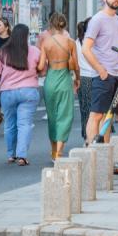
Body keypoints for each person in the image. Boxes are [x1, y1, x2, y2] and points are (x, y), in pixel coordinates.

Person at [0, 24, 41, 166]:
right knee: (25, 124)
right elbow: (42, 70)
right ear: (26, 36)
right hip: (28, 92)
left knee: (10, 124)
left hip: (7, 92)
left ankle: (11, 154)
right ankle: (22, 156)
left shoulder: (3, 52)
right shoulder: (35, 51)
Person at [83, 0, 118, 145]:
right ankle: (91, 151)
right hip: (102, 75)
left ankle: (104, 153)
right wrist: (100, 70)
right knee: (96, 115)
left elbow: (115, 46)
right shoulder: (97, 19)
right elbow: (86, 49)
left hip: (117, 74)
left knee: (109, 116)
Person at [40, 13, 79, 157]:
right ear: (65, 25)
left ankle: (53, 149)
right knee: (65, 115)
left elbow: (40, 66)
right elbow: (76, 65)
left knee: (52, 116)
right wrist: (78, 79)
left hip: (50, 80)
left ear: (51, 25)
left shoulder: (46, 43)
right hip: (64, 80)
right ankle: (59, 151)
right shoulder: (70, 42)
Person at [75, 19, 96, 140]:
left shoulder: (77, 42)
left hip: (82, 77)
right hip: (95, 76)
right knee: (96, 109)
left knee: (85, 108)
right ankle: (92, 135)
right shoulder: (94, 43)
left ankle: (86, 133)